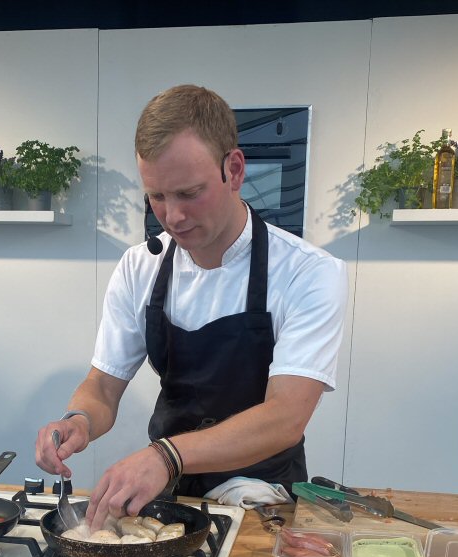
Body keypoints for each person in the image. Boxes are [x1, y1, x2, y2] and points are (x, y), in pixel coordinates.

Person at [35, 84, 346, 525]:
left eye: (189, 193)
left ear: (233, 170)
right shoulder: (139, 266)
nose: (173, 216)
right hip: (167, 496)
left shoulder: (308, 272)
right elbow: (103, 385)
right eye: (157, 197)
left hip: (264, 501)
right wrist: (78, 420)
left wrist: (165, 455)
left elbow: (285, 417)